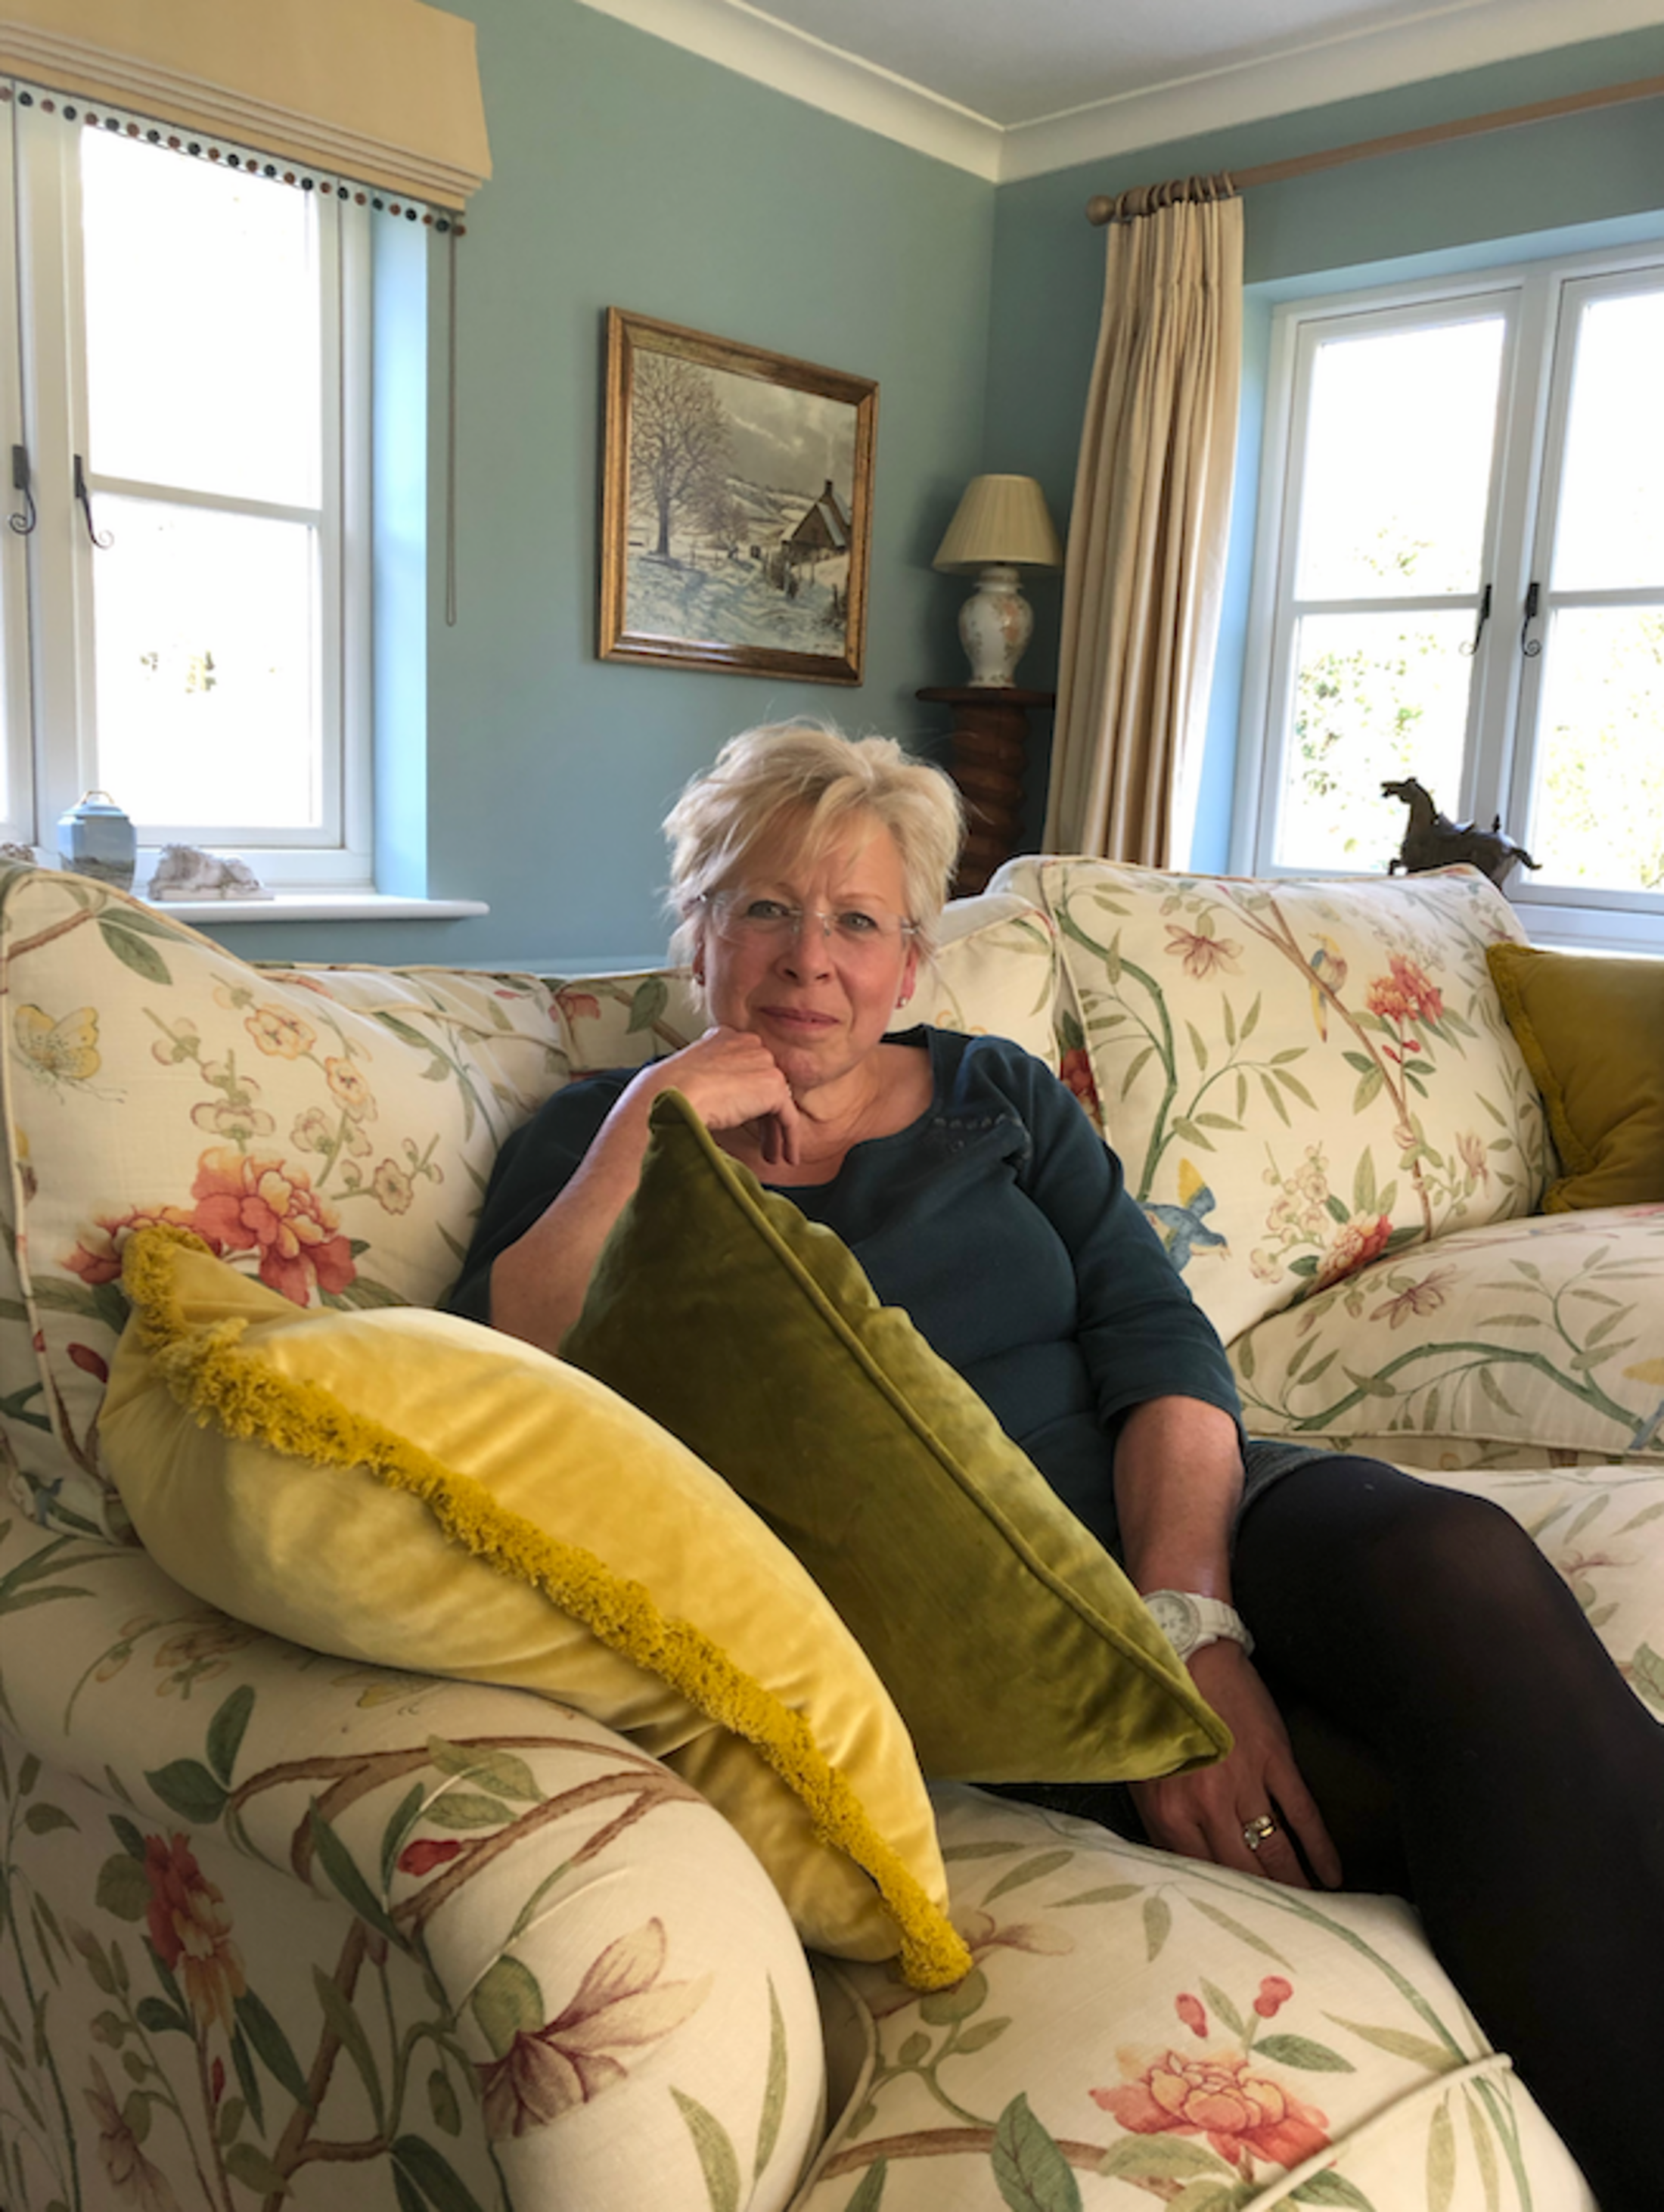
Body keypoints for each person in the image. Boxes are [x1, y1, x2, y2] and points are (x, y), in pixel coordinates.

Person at [449, 720, 1664, 2210]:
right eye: (763, 907)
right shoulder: (597, 1137)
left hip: (1181, 1515)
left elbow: (1161, 1345)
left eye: (857, 921)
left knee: (1451, 1566)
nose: (808, 960)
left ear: (911, 963)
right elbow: (501, 1378)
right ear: (697, 932)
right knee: (1399, 1801)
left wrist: (1188, 1627)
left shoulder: (996, 1093)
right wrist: (649, 1126)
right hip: (980, 1617)